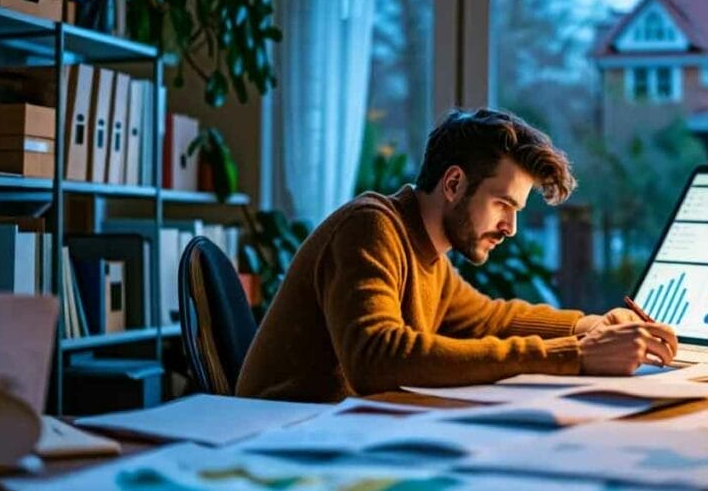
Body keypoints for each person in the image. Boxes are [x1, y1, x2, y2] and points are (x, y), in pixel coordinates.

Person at [237, 108, 678, 402]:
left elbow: (489, 319)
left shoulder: (427, 250)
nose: (510, 228)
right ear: (453, 185)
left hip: (338, 435)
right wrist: (576, 355)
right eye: (503, 205)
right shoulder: (370, 227)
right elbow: (378, 358)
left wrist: (589, 326)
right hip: (279, 443)